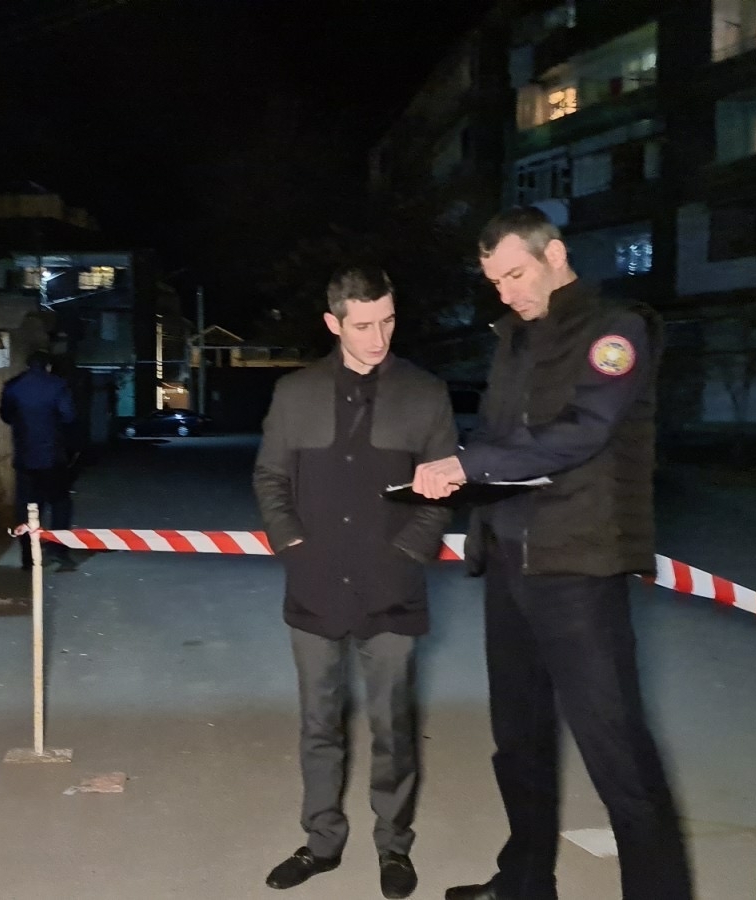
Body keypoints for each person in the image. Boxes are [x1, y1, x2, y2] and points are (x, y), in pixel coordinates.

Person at [410, 208, 693, 900]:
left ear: (555, 254)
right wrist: (455, 473)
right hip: (510, 561)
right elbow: (500, 440)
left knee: (615, 750)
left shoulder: (615, 330)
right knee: (519, 739)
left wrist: (470, 463)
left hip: (577, 567)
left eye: (515, 274)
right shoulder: (512, 338)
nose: (506, 292)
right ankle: (525, 882)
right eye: (494, 282)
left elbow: (584, 432)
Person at [253, 265, 458, 900]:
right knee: (319, 723)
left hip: (392, 591)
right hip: (313, 587)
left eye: (388, 321)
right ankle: (321, 842)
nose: (378, 338)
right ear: (333, 323)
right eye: (363, 325)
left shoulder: (425, 394)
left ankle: (394, 847)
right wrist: (293, 546)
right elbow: (270, 478)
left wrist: (407, 554)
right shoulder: (295, 393)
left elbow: (443, 491)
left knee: (392, 726)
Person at [0, 350, 77, 570]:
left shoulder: (13, 386)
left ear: (27, 365)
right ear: (48, 366)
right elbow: (69, 416)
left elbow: (5, 415)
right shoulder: (58, 386)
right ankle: (58, 551)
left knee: (26, 507)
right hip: (53, 458)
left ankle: (28, 556)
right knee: (60, 503)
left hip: (25, 457)